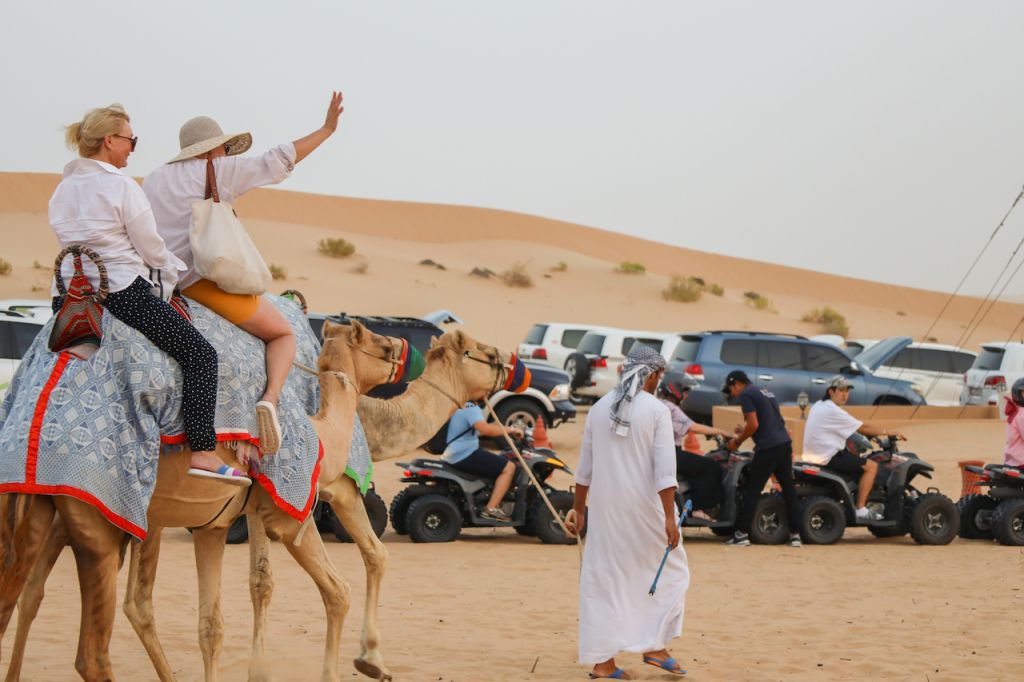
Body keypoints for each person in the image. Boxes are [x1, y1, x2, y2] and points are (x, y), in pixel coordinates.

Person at [49, 104, 246, 485]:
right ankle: (204, 452)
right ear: (109, 141)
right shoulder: (120, 186)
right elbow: (152, 248)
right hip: (122, 294)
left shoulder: (62, 189)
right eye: (130, 140)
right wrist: (171, 270)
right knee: (201, 356)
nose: (132, 148)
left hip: (68, 299)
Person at [143, 91, 345, 455]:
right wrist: (326, 130)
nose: (225, 155)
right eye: (223, 149)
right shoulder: (217, 170)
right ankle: (270, 400)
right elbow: (278, 159)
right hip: (199, 283)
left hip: (159, 285)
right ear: (210, 151)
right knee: (283, 333)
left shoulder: (154, 178)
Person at [566, 345, 688, 679]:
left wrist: (578, 510)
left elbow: (584, 470)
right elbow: (665, 472)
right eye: (659, 375)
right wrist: (669, 518)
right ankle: (653, 647)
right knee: (671, 573)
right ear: (650, 375)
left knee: (606, 580)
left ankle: (608, 661)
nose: (658, 382)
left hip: (605, 512)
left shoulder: (598, 409)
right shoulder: (657, 411)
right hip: (645, 511)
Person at [801, 376, 906, 521]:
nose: (845, 394)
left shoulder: (819, 405)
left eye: (847, 391)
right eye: (841, 390)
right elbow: (862, 427)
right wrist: (888, 432)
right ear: (831, 391)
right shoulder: (833, 410)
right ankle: (861, 509)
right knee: (872, 467)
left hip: (813, 455)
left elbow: (847, 429)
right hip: (828, 457)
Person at [722, 370, 801, 547]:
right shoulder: (765, 392)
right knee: (789, 490)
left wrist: (737, 441)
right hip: (784, 444)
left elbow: (754, 424)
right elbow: (769, 421)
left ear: (737, 384)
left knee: (752, 490)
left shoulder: (746, 395)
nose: (732, 394)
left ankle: (741, 534)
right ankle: (796, 535)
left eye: (731, 389)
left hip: (768, 448)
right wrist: (744, 430)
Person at [657, 371, 730, 521]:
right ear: (674, 389)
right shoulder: (671, 408)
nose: (686, 395)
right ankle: (699, 508)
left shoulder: (658, 404)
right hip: (671, 454)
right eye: (684, 391)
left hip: (659, 453)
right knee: (711, 467)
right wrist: (723, 432)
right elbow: (692, 426)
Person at [444, 402, 524, 522]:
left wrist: (496, 426)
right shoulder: (471, 407)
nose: (488, 393)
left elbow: (475, 427)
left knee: (495, 460)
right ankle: (490, 509)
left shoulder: (460, 404)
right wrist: (511, 429)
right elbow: (486, 430)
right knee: (509, 468)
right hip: (465, 453)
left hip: (452, 452)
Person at [1003, 377, 1024, 468]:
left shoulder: (1017, 410)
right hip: (1020, 461)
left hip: (1012, 460)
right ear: (1017, 394)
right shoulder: (1022, 414)